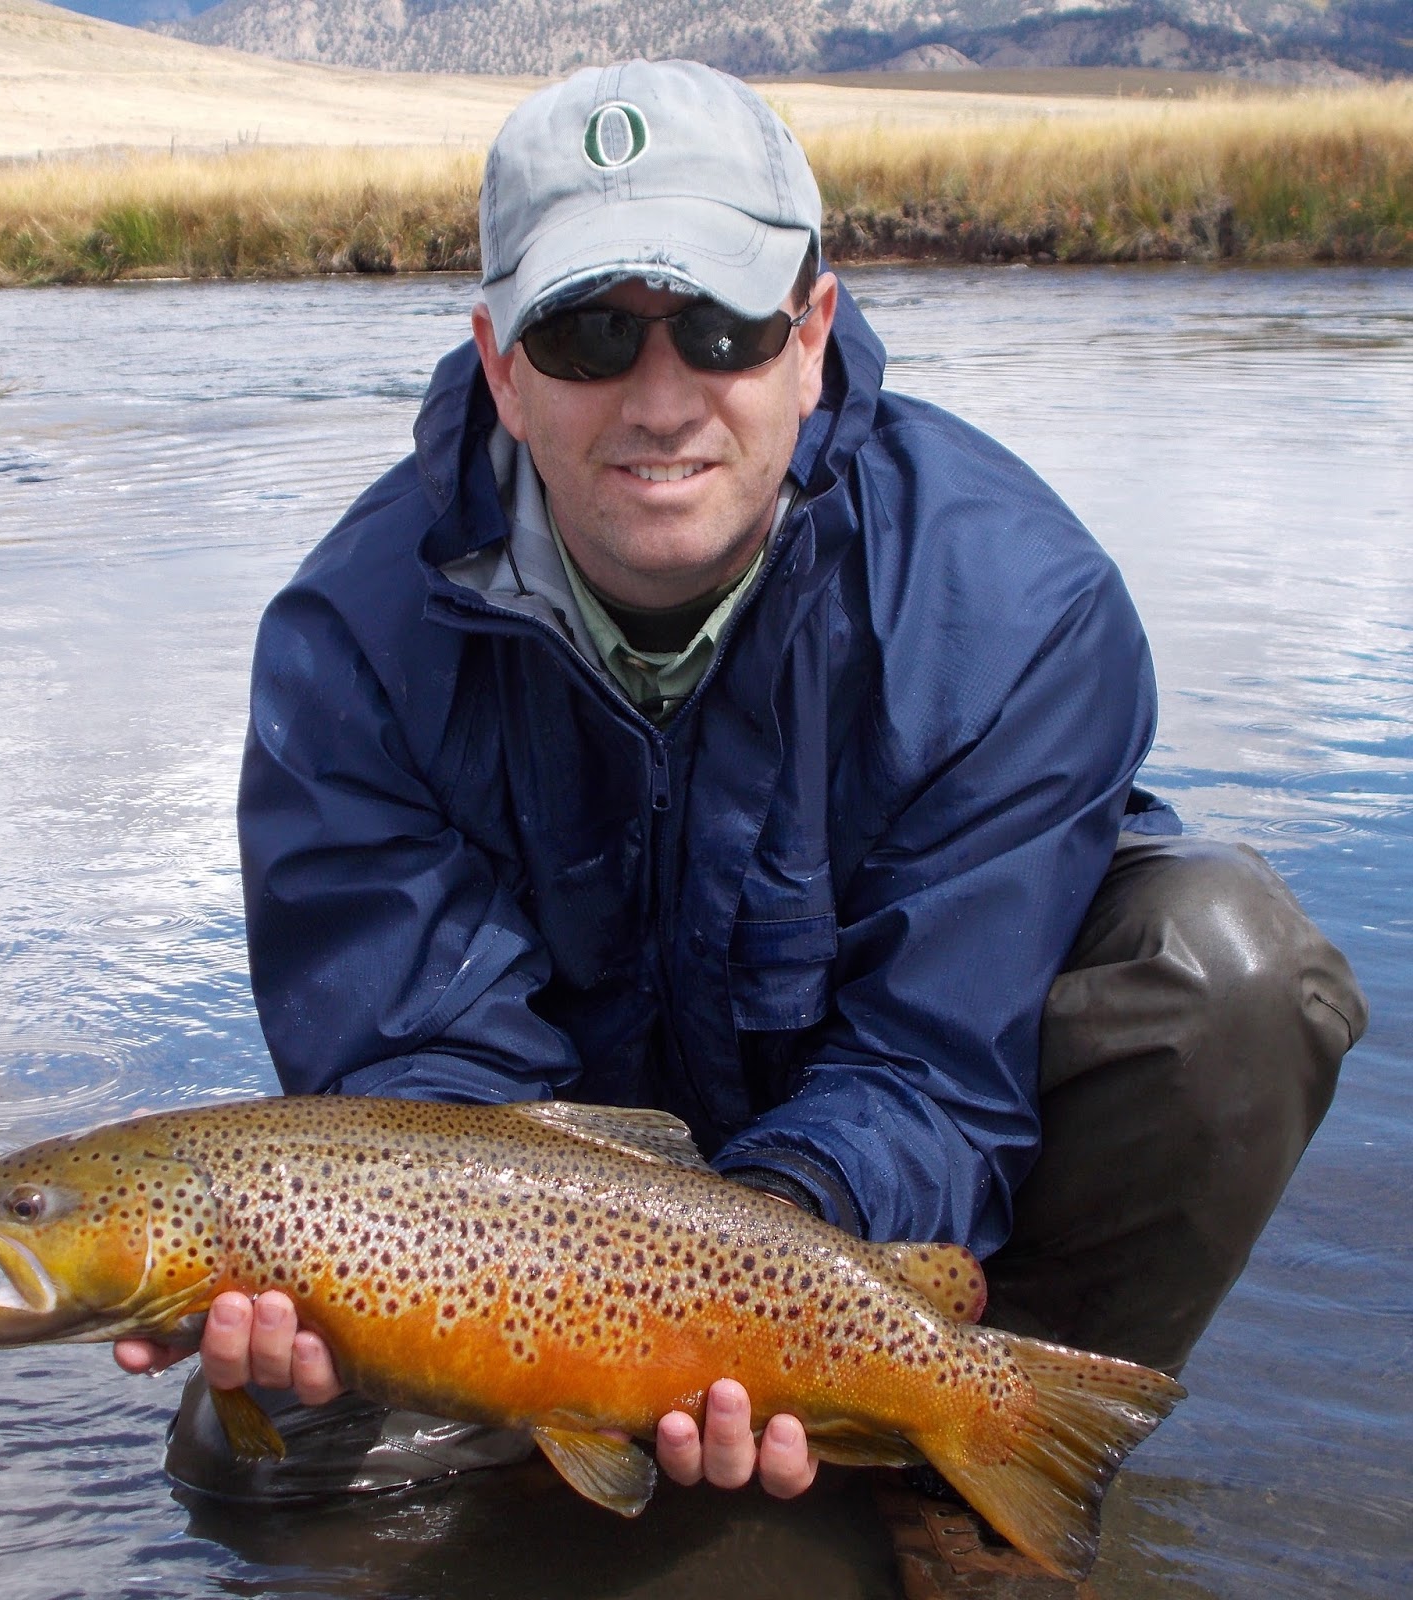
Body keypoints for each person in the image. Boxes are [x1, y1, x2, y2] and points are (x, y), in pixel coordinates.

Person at [116, 55, 1365, 1565]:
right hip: (541, 1224)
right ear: (499, 365)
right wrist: (606, 1327)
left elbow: (937, 1067)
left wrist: (776, 1269)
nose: (661, 400)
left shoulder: (1016, 609)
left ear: (811, 336)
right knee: (256, 1459)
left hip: (861, 1186)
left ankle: (967, 1457)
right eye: (587, 333)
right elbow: (418, 1079)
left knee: (1227, 966)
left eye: (721, 327)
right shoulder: (351, 647)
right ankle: (620, 1467)